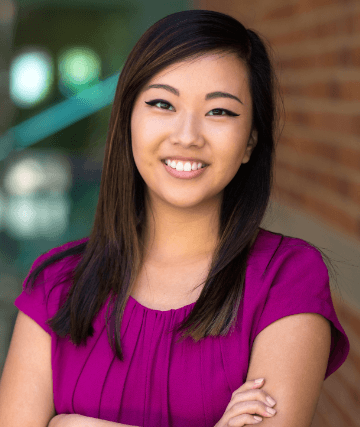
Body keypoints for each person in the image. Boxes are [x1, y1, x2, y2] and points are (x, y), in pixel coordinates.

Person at [0, 9, 349, 427]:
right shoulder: (54, 285)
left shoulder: (286, 278)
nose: (187, 136)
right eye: (162, 104)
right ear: (128, 119)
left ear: (250, 140)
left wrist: (73, 424)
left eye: (220, 112)